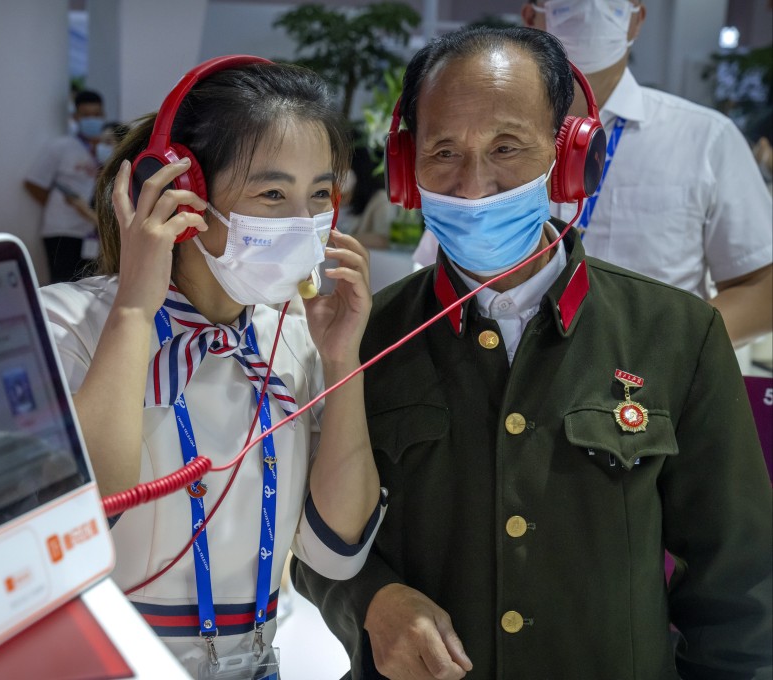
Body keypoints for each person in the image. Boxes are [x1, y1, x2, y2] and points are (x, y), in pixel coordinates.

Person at [293, 27, 772, 680]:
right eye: (443, 152)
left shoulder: (677, 335)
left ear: (567, 155)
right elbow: (309, 538)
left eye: (507, 147)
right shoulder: (359, 339)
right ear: (407, 171)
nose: (474, 184)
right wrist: (369, 601)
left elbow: (739, 583)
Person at [40, 57, 385, 676]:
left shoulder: (294, 336)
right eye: (272, 193)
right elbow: (83, 521)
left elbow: (337, 553)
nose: (302, 222)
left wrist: (342, 362)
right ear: (181, 192)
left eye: (319, 195)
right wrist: (133, 314)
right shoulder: (67, 325)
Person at [412, 0, 773, 350]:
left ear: (636, 18)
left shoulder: (705, 138)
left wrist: (667, 355)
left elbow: (763, 286)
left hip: (642, 396)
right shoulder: (469, 149)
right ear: (530, 15)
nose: (589, 8)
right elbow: (433, 273)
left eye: (506, 148)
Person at [24, 89, 106, 283]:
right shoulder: (60, 147)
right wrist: (59, 207)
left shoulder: (106, 149)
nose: (92, 120)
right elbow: (33, 183)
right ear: (75, 117)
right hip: (62, 231)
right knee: (64, 285)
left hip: (92, 232)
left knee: (90, 286)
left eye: (96, 114)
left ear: (103, 116)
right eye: (86, 115)